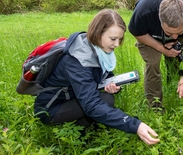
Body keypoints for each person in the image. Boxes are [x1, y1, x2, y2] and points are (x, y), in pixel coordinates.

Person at [34, 9, 160, 145]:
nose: (117, 44)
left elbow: (98, 79)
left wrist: (110, 87)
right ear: (98, 33)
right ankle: (77, 136)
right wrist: (135, 125)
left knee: (107, 98)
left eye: (120, 39)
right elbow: (91, 105)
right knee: (103, 102)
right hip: (50, 108)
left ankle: (85, 127)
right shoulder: (77, 61)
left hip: (72, 97)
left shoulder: (99, 50)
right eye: (113, 39)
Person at [128, 0, 183, 109]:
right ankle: (155, 107)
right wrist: (162, 48)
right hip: (149, 36)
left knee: (174, 60)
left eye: (179, 32)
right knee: (153, 63)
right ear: (160, 21)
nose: (174, 37)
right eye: (169, 32)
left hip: (167, 27)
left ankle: (175, 91)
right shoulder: (144, 12)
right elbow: (138, 33)